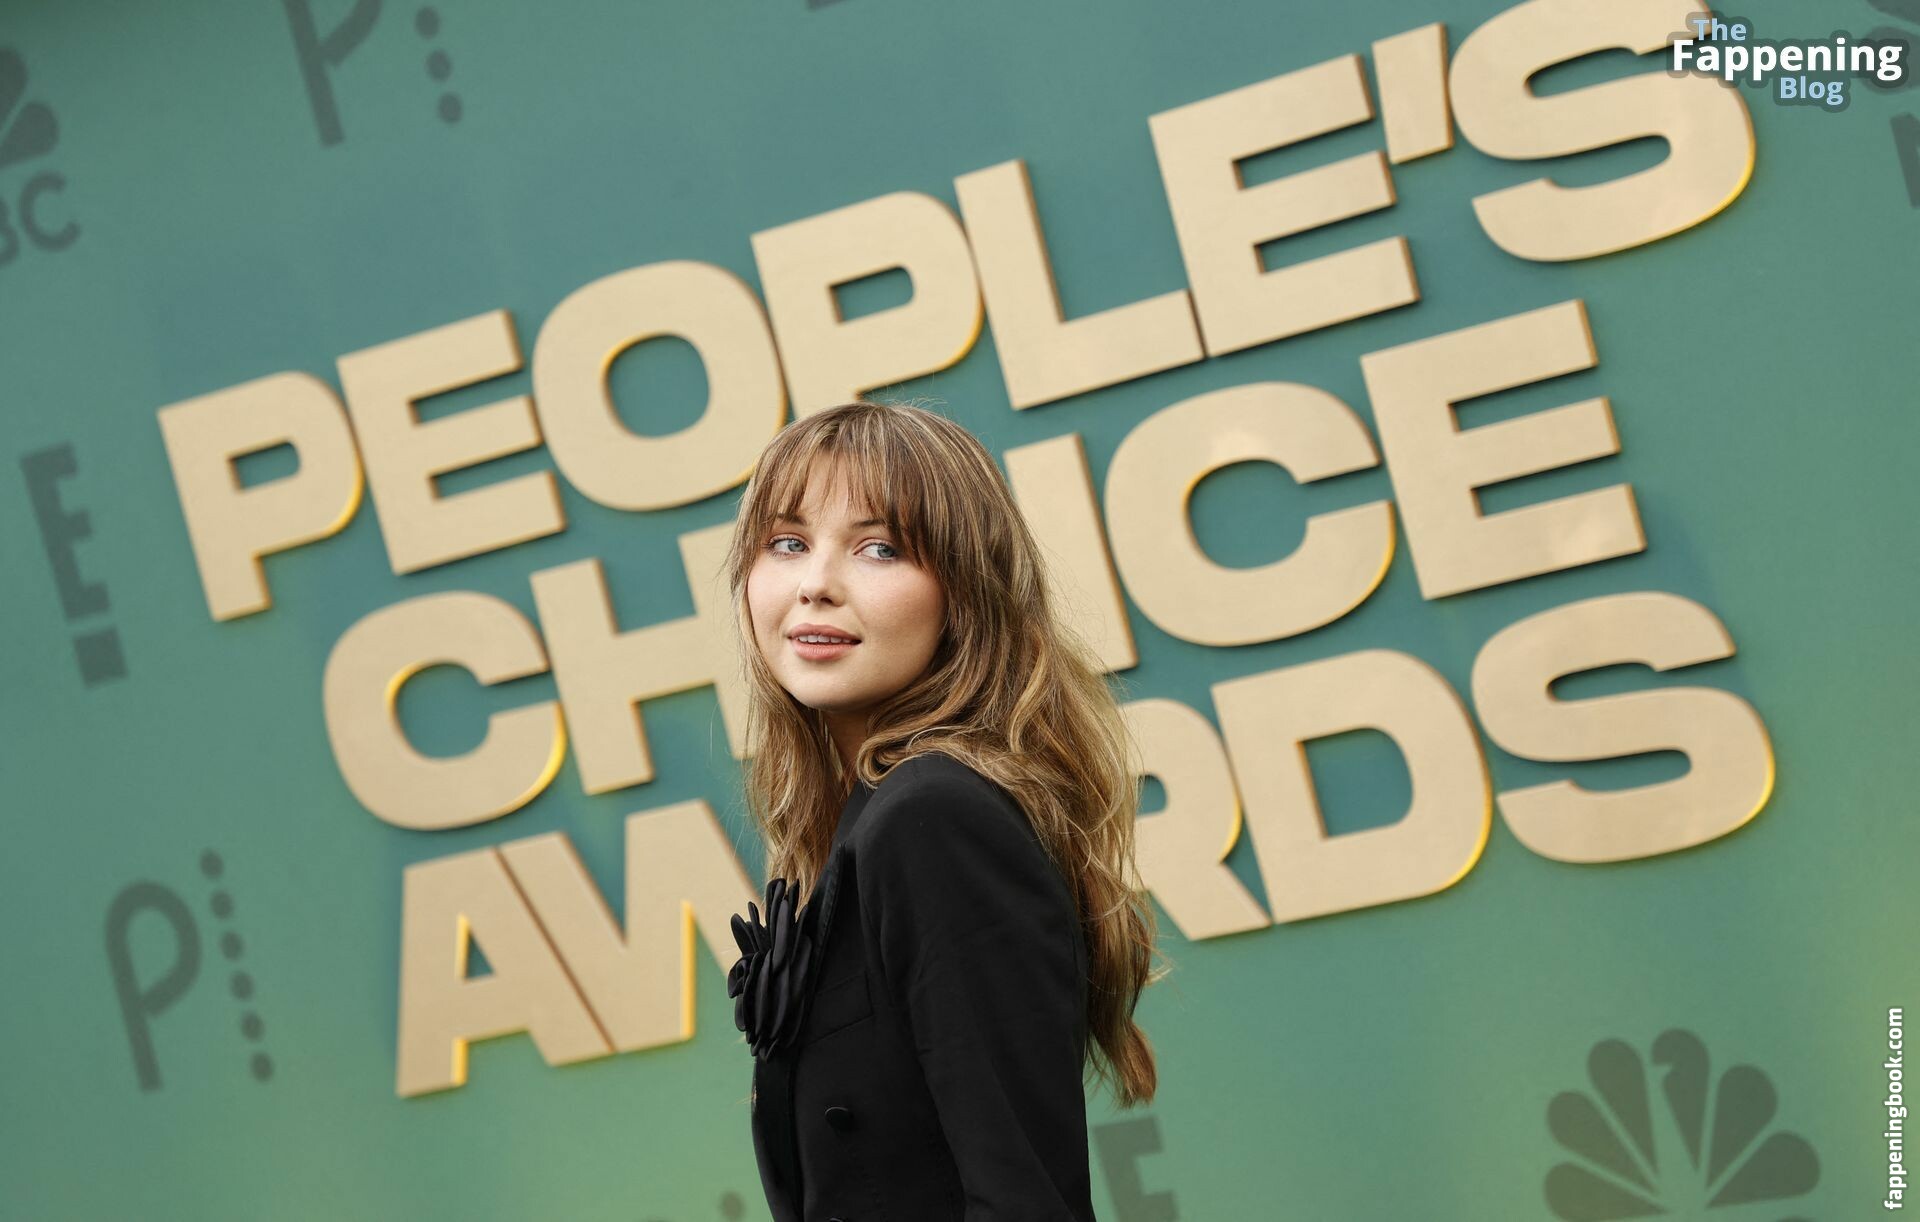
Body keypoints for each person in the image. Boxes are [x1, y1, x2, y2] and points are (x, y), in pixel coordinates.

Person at [721, 400, 1165, 1220]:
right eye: (787, 543)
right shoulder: (871, 818)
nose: (816, 584)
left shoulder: (933, 817)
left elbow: (1022, 1202)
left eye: (879, 548)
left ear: (962, 594)